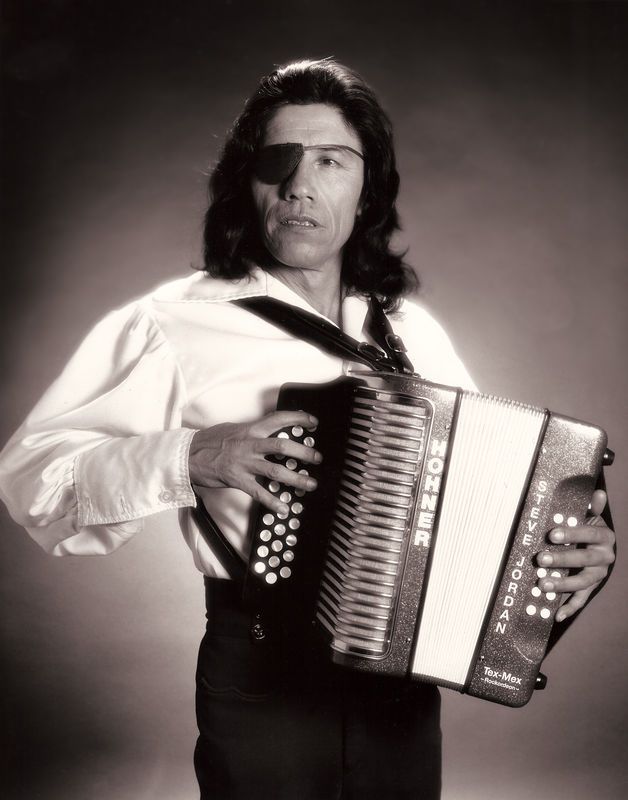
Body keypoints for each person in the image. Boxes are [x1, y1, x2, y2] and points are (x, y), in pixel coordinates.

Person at [0, 59, 615, 799]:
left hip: (400, 694)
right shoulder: (174, 322)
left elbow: (486, 513)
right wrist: (189, 455)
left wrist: (569, 552)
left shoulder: (414, 333)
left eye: (331, 160)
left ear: (368, 189)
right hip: (262, 678)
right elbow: (32, 476)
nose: (300, 185)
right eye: (278, 161)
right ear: (247, 183)